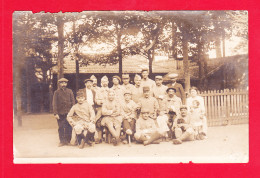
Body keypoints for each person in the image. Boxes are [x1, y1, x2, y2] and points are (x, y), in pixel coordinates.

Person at [53, 78, 75, 147]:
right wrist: (55, 113)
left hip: (69, 113)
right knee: (61, 127)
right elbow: (54, 103)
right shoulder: (56, 92)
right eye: (62, 83)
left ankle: (68, 141)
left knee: (69, 127)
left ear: (66, 84)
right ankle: (62, 141)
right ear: (59, 84)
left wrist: (73, 111)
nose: (63, 84)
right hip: (60, 113)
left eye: (65, 83)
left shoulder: (70, 91)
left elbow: (73, 102)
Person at [95, 75, 110, 143]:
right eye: (103, 81)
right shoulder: (98, 91)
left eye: (106, 81)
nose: (104, 83)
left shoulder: (110, 90)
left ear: (108, 82)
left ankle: (108, 136)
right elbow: (96, 100)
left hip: (108, 109)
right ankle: (100, 137)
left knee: (109, 120)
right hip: (100, 108)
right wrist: (100, 102)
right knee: (98, 121)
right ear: (101, 83)